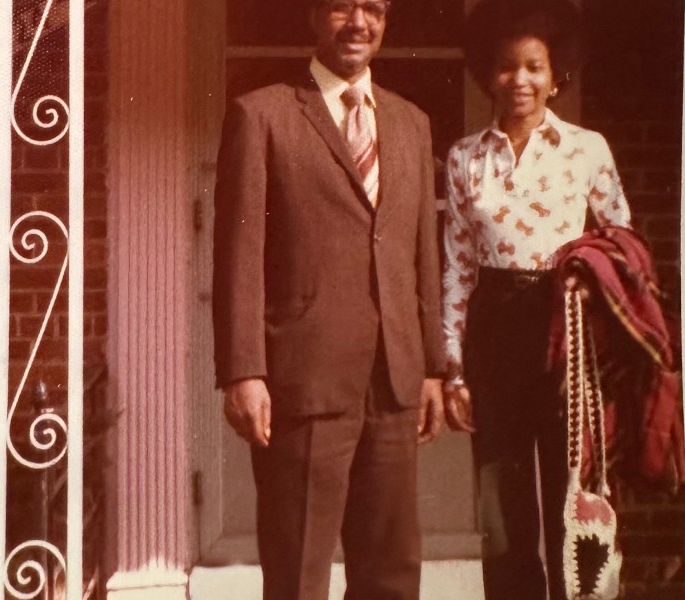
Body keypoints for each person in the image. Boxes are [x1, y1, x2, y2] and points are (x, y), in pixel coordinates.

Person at [212, 1, 445, 598]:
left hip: (393, 379)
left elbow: (423, 252)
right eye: (343, 6)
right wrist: (243, 371)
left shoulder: (411, 122)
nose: (359, 23)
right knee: (299, 574)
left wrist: (431, 367)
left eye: (373, 8)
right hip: (304, 380)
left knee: (392, 575)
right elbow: (239, 254)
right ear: (315, 16)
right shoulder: (262, 115)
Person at [441, 1, 632, 599]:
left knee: (575, 491)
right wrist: (454, 368)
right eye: (506, 66)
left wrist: (594, 292)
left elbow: (623, 245)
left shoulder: (587, 149)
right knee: (502, 498)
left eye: (533, 66)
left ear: (555, 74)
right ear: (487, 74)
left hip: (566, 329)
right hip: (494, 331)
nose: (519, 80)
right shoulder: (465, 157)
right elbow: (458, 265)